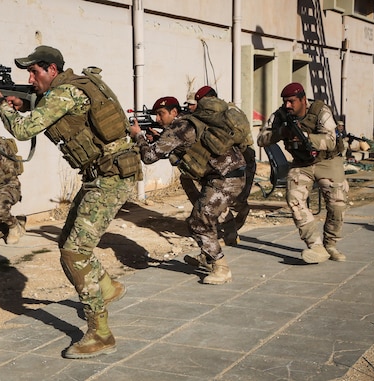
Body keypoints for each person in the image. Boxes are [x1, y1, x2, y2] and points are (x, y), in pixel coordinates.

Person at [0, 45, 140, 359]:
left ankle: (100, 333)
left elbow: (23, 130)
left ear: (52, 70)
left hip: (110, 177)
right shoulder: (76, 87)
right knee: (68, 241)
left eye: (35, 71)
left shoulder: (64, 94)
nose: (30, 77)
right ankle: (106, 287)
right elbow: (68, 119)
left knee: (74, 252)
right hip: (104, 174)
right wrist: (23, 103)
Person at [130, 96, 247, 285]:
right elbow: (184, 144)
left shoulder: (179, 128)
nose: (158, 119)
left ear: (174, 112)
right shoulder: (191, 122)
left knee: (199, 221)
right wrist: (159, 138)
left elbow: (150, 156)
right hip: (231, 173)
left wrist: (138, 136)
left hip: (224, 179)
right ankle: (208, 257)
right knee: (204, 217)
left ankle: (221, 268)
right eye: (156, 115)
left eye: (161, 114)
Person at [257, 82, 348, 263]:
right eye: (285, 102)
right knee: (295, 200)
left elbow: (331, 140)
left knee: (337, 203)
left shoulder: (321, 111)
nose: (288, 105)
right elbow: (261, 139)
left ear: (303, 100)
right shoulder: (281, 115)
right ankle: (315, 245)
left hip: (327, 161)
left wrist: (306, 138)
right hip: (301, 164)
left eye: (291, 101)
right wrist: (282, 132)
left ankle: (330, 244)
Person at [193, 86, 257, 245]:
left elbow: (241, 140)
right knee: (222, 199)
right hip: (223, 164)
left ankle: (241, 212)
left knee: (237, 199)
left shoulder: (230, 112)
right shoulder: (210, 115)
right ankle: (230, 233)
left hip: (244, 159)